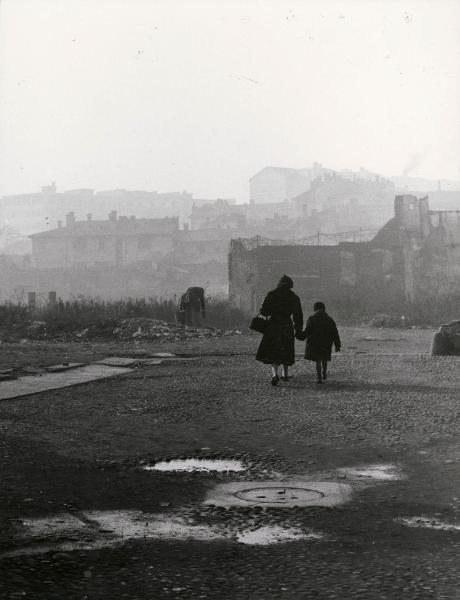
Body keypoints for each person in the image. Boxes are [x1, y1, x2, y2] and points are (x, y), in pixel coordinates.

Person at [255, 275, 303, 386]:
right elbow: (298, 316)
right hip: (287, 325)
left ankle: (274, 375)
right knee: (286, 349)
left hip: (273, 325)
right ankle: (285, 374)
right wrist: (298, 329)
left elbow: (264, 312)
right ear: (291, 285)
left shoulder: (271, 294)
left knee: (273, 351)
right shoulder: (294, 297)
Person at [300, 301, 341, 384]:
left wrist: (300, 336)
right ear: (324, 308)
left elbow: (307, 331)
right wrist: (337, 345)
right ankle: (324, 374)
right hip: (326, 342)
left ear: (315, 308)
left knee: (318, 360)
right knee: (324, 358)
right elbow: (335, 332)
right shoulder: (329, 319)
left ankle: (319, 378)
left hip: (315, 342)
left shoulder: (312, 318)